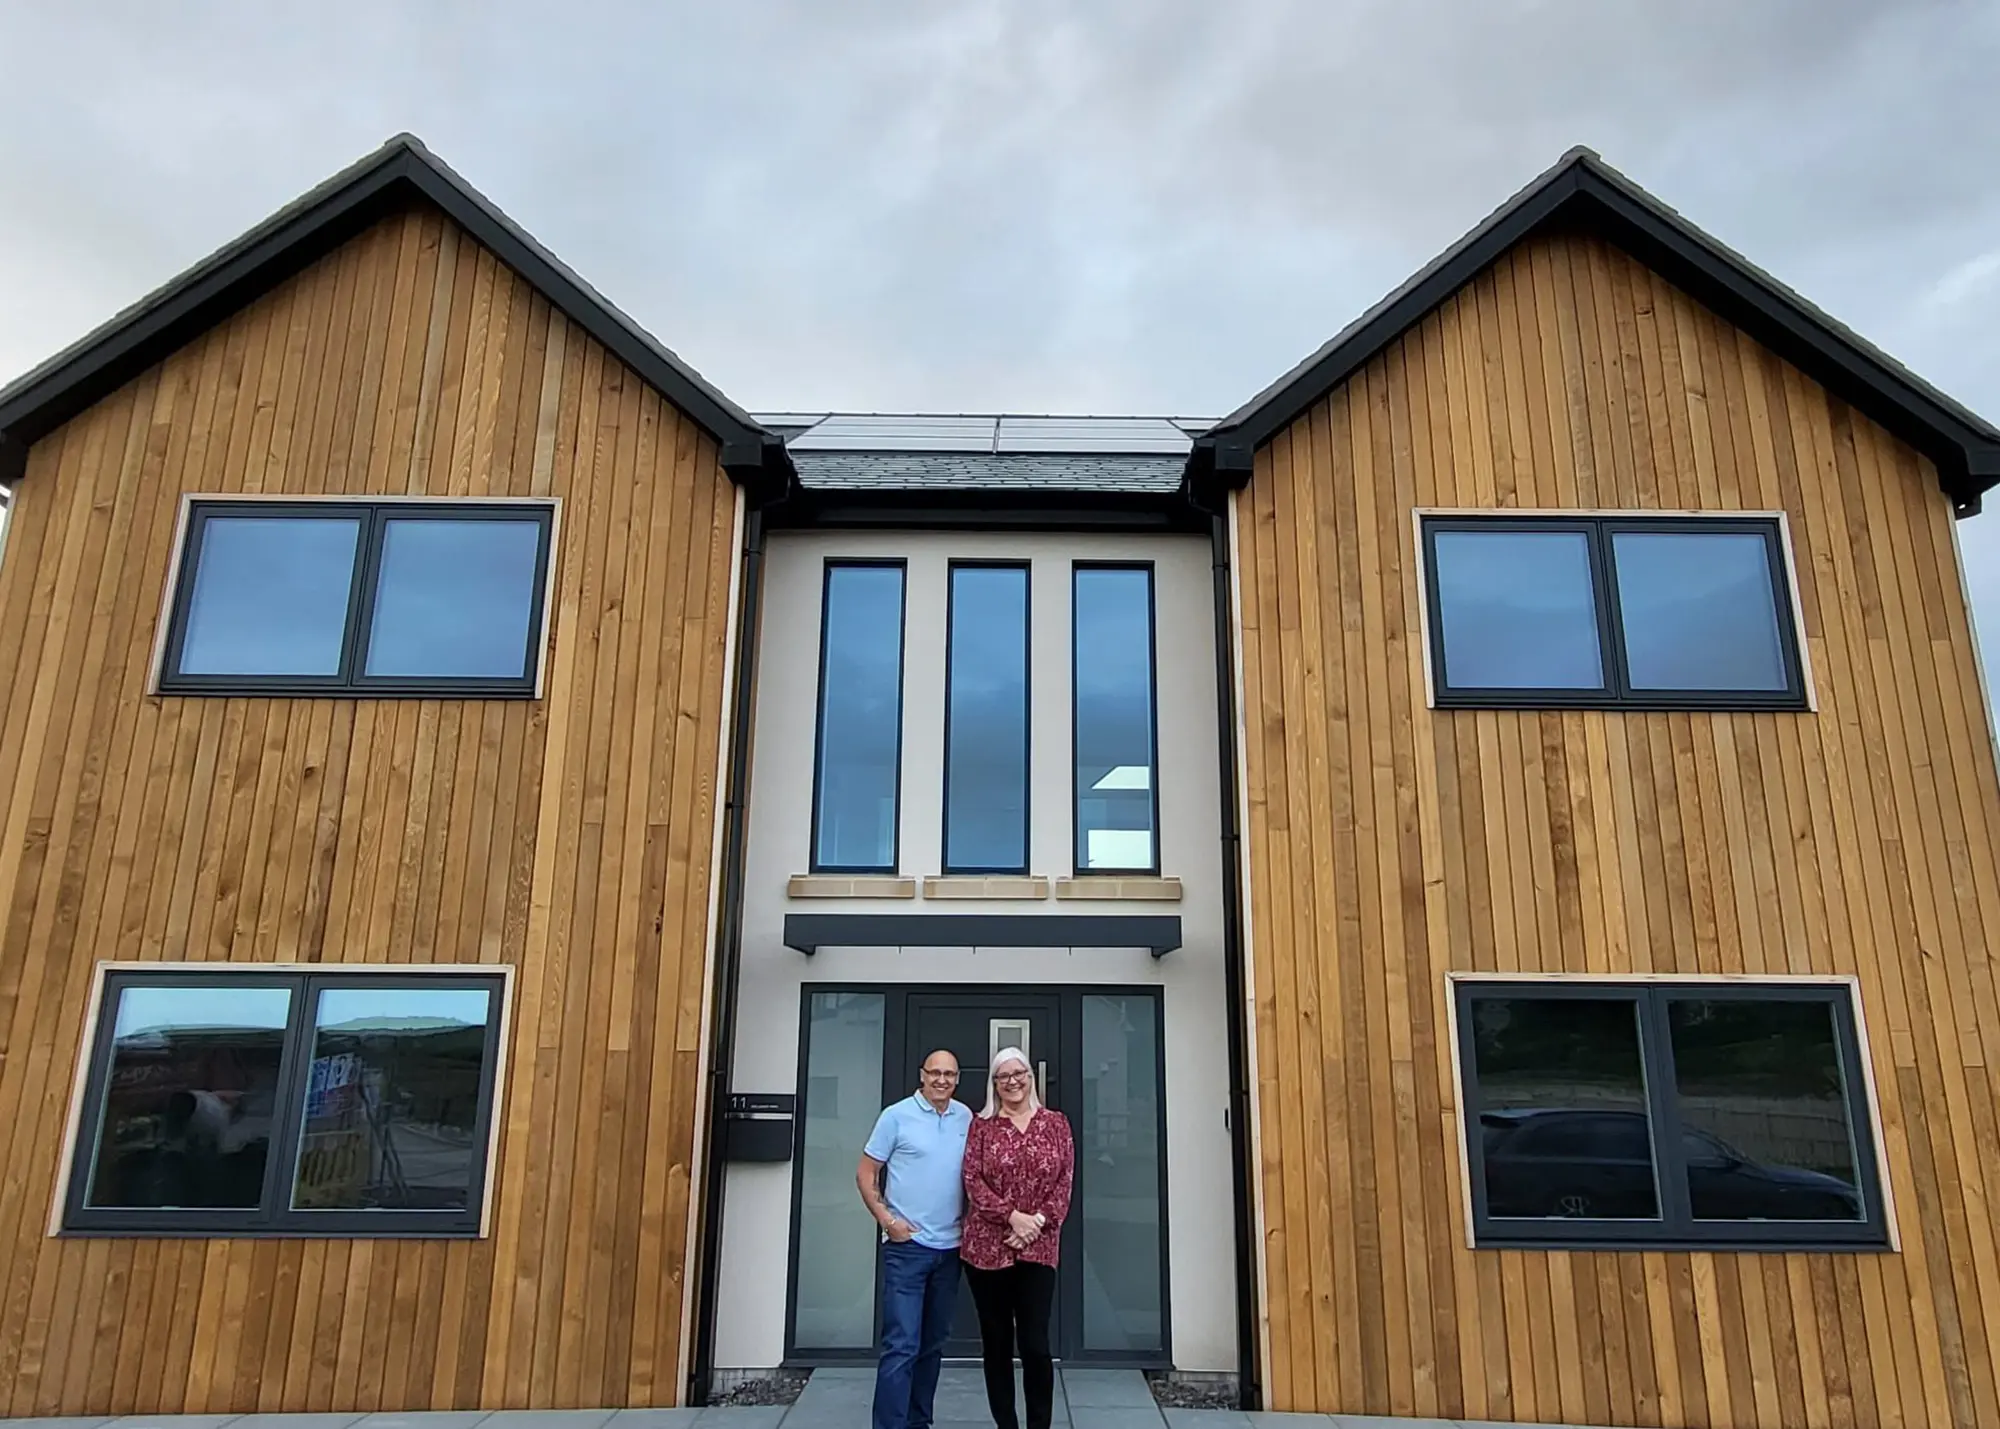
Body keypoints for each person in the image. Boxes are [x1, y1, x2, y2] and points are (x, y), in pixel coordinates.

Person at [959, 1046, 1074, 1429]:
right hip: (986, 1250)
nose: (1013, 1082)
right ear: (994, 1084)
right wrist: (1011, 1217)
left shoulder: (1056, 1124)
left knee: (1035, 1344)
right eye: (1004, 1076)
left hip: (1039, 1249)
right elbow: (973, 1181)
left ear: (1030, 1077)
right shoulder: (982, 1126)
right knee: (996, 1344)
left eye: (1018, 1073)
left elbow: (1064, 1182)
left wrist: (1035, 1223)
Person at [858, 1049, 972, 1429]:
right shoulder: (896, 1116)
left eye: (949, 1074)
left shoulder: (965, 1117)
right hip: (907, 1250)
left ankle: (918, 1422)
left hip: (950, 1250)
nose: (942, 1080)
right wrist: (888, 1221)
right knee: (901, 1346)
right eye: (935, 1072)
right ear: (922, 1075)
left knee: (932, 1346)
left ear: (957, 1079)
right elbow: (865, 1173)